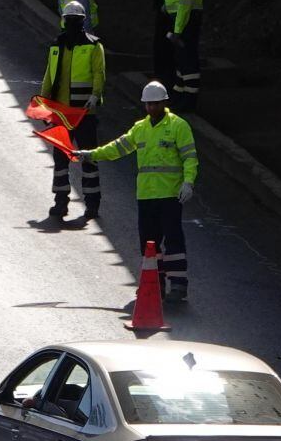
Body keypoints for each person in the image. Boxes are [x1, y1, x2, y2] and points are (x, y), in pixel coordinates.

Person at [83, 81, 197, 301]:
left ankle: (179, 286)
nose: (151, 108)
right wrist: (91, 154)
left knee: (174, 241)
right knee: (148, 243)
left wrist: (188, 182)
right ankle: (155, 285)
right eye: (148, 104)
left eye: (155, 104)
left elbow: (190, 157)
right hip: (146, 196)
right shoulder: (140, 128)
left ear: (164, 102)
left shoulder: (178, 126)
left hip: (170, 194)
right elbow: (118, 147)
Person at [39, 0, 104, 220]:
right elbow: (49, 76)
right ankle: (60, 202)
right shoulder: (56, 46)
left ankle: (92, 204)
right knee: (60, 160)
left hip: (84, 113)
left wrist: (95, 95)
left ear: (82, 22)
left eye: (75, 21)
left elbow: (99, 74)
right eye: (69, 21)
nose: (72, 24)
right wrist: (44, 105)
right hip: (62, 113)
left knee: (88, 158)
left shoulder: (94, 46)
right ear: (64, 21)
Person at [159, 0, 204, 113]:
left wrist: (178, 30)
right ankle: (180, 96)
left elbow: (184, 4)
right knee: (181, 59)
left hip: (185, 20)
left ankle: (189, 100)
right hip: (181, 19)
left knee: (187, 59)